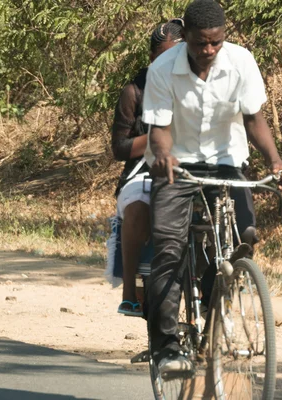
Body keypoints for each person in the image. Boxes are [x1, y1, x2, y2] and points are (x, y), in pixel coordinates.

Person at [142, 0, 282, 373]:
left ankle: (215, 293)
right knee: (169, 251)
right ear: (186, 37)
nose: (208, 51)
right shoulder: (162, 69)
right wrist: (163, 156)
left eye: (215, 43)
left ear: (223, 37)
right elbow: (158, 130)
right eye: (199, 43)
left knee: (245, 236)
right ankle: (166, 346)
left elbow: (254, 118)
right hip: (177, 165)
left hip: (227, 162)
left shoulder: (241, 61)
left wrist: (274, 159)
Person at [111, 19, 184, 317]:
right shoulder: (134, 91)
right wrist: (159, 137)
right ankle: (130, 293)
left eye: (177, 56)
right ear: (153, 58)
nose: (170, 63)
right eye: (164, 56)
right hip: (141, 171)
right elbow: (120, 148)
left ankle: (211, 285)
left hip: (187, 166)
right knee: (139, 206)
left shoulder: (196, 84)